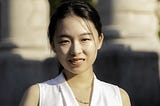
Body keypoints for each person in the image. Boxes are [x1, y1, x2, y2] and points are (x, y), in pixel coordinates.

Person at [19, 1, 131, 106]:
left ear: (99, 40)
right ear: (53, 45)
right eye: (65, 41)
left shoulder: (118, 97)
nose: (75, 50)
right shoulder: (38, 96)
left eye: (85, 39)